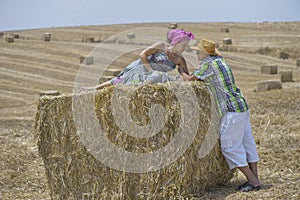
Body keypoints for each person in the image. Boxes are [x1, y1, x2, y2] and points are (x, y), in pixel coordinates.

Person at [178, 38, 261, 192]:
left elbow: (190, 80)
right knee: (247, 142)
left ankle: (253, 181)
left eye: (198, 52)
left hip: (231, 110)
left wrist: (181, 70)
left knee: (229, 146)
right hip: (241, 106)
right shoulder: (220, 61)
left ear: (204, 53)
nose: (196, 55)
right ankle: (254, 179)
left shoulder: (208, 64)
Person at [82, 29, 195, 91]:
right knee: (118, 81)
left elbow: (187, 78)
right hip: (141, 68)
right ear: (176, 42)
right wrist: (150, 71)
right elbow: (143, 54)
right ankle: (92, 89)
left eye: (186, 46)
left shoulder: (180, 60)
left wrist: (193, 77)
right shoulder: (161, 46)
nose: (185, 48)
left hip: (153, 77)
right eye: (183, 45)